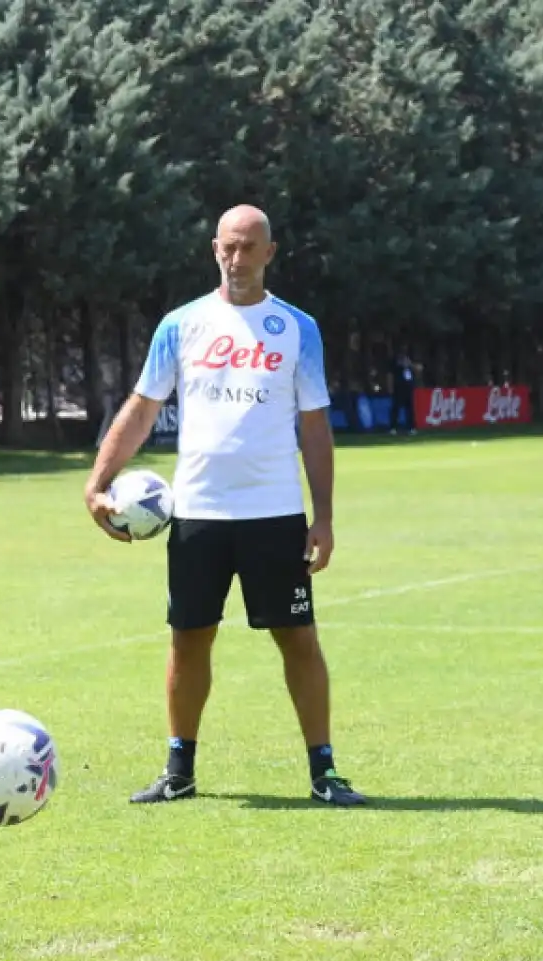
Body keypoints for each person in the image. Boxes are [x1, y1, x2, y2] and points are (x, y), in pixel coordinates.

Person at [83, 204, 364, 808]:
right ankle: (178, 771)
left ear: (270, 252)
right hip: (198, 514)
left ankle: (325, 774)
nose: (237, 259)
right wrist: (98, 480)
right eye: (228, 248)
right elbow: (141, 408)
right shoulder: (180, 326)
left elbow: (314, 427)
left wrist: (325, 517)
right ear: (215, 249)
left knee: (298, 640)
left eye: (249, 248)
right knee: (189, 640)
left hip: (275, 514)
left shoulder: (297, 329)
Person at [390, 352, 417, 435]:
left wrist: (410, 364)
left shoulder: (410, 368)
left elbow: (418, 369)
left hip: (408, 391)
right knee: (396, 409)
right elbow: (391, 377)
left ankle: (411, 428)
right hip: (399, 390)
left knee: (410, 410)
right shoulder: (397, 368)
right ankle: (393, 428)